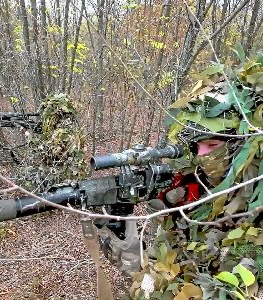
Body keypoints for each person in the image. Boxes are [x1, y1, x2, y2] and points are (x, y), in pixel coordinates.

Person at [99, 52, 263, 298]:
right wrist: (122, 235)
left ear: (243, 144)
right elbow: (153, 274)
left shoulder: (255, 206)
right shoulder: (194, 189)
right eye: (195, 147)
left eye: (211, 145)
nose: (201, 155)